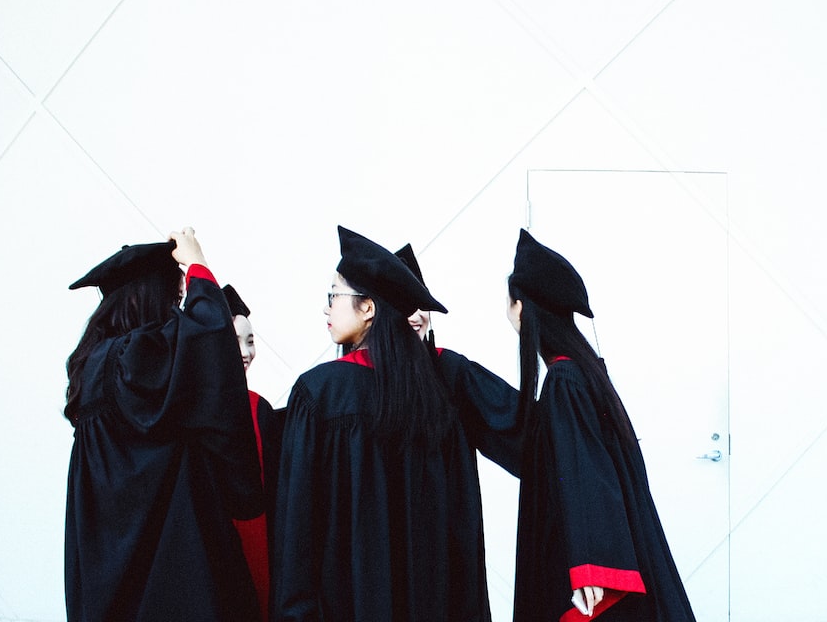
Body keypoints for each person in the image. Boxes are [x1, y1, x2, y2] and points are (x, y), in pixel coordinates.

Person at [271, 226, 521, 622]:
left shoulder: (320, 393)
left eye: (333, 296)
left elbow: (297, 532)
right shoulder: (446, 381)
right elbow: (532, 437)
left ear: (368, 308)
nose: (326, 308)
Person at [64, 228, 263, 622]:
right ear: (149, 298)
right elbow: (207, 339)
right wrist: (198, 268)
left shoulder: (90, 368)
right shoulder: (135, 358)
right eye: (174, 299)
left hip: (107, 575)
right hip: (171, 572)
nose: (177, 311)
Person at [506, 229, 696, 622]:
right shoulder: (583, 373)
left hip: (580, 567)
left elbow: (587, 472)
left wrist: (591, 566)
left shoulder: (564, 380)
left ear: (522, 308)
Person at [222, 284, 282, 622]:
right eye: (235, 342)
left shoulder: (259, 409)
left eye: (250, 341)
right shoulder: (185, 410)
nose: (246, 353)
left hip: (257, 547)